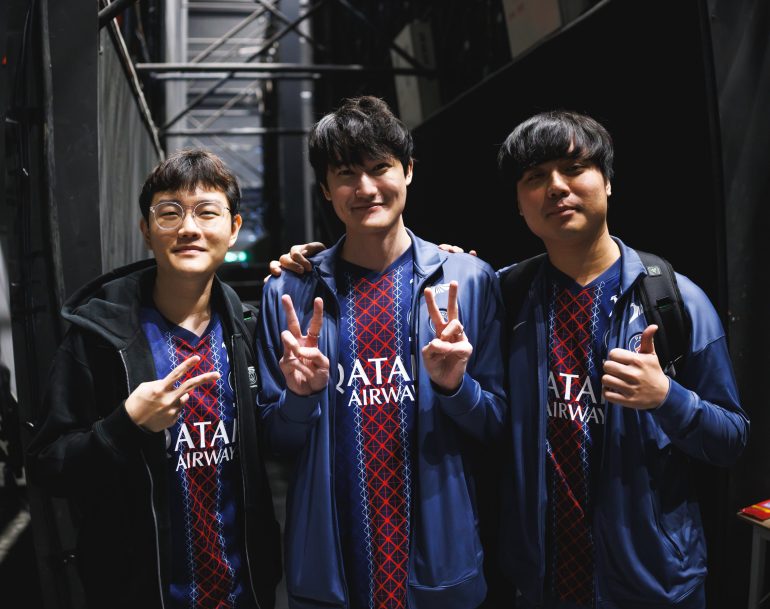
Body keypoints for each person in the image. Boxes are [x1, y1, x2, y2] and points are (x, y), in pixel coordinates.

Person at [269, 109, 750, 609]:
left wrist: (667, 398)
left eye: (574, 169)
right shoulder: (506, 292)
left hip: (653, 582)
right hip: (539, 579)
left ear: (608, 181)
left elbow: (732, 439)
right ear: (520, 203)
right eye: (535, 177)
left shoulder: (672, 301)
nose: (556, 188)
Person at [257, 96, 506, 609]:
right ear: (325, 189)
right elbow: (274, 441)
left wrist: (456, 388)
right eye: (346, 174)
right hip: (331, 571)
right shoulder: (288, 293)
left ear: (408, 170)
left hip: (440, 566)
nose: (366, 188)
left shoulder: (469, 282)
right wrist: (300, 398)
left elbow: (500, 427)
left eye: (380, 168)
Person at [27, 150, 281, 609]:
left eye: (207, 212)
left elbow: (280, 442)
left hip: (244, 593)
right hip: (140, 593)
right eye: (169, 213)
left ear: (234, 228)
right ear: (147, 230)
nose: (189, 228)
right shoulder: (99, 338)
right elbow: (48, 465)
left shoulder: (247, 329)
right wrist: (125, 424)